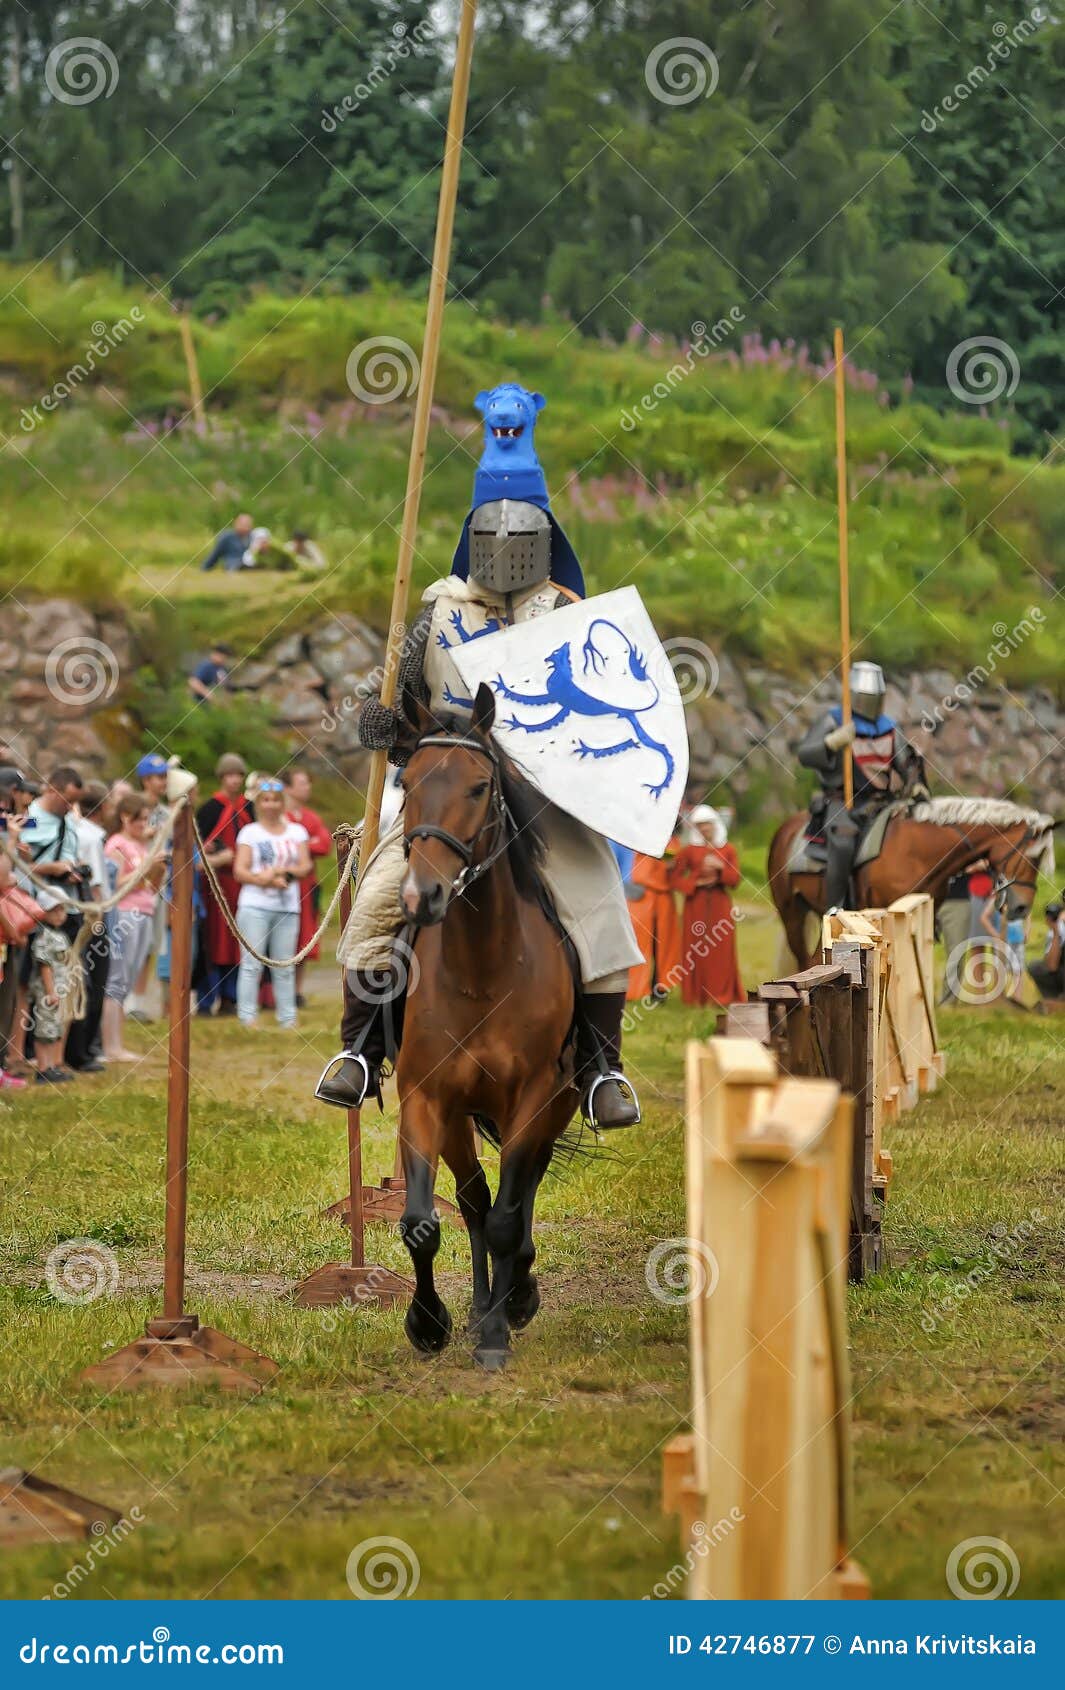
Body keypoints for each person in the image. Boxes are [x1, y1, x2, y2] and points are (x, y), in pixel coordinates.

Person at [320, 381, 643, 1129]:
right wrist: (382, 722)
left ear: (545, 536)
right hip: (444, 794)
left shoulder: (568, 614)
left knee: (599, 908)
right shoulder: (435, 612)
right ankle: (361, 1050)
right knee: (374, 908)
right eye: (491, 536)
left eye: (520, 535)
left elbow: (612, 709)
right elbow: (404, 710)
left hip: (542, 800)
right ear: (471, 536)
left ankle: (600, 1070)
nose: (505, 550)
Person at [797, 661, 924, 909]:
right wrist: (831, 743)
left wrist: (916, 783)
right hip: (842, 801)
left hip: (881, 802)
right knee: (843, 843)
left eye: (876, 697)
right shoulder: (834, 721)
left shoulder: (888, 728)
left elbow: (907, 761)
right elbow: (805, 755)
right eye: (868, 697)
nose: (872, 703)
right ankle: (837, 910)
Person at [233, 779, 311, 1029]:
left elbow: (305, 864)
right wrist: (263, 879)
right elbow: (240, 870)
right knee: (251, 963)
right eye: (265, 800)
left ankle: (287, 1017)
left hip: (287, 905)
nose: (271, 805)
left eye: (276, 800)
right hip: (255, 905)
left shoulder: (296, 831)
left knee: (284, 963)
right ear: (258, 803)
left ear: (282, 802)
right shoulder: (250, 833)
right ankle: (247, 1016)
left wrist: (286, 873)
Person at [103, 792, 164, 1062]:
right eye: (139, 820)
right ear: (125, 818)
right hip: (124, 912)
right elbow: (116, 884)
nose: (144, 825)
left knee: (127, 979)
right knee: (115, 981)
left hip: (144, 910)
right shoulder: (116, 844)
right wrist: (147, 866)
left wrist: (158, 868)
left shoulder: (141, 845)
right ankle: (110, 1046)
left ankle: (117, 1043)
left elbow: (150, 886)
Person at [196, 754, 254, 1016]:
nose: (234, 780)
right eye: (229, 775)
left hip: (242, 884)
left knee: (237, 940)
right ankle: (207, 998)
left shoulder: (250, 808)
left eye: (238, 775)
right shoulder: (209, 809)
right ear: (221, 778)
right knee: (212, 940)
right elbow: (197, 848)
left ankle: (232, 997)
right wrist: (214, 854)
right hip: (214, 886)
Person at [671, 805, 744, 1007]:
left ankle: (721, 995)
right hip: (695, 906)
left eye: (707, 825)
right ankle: (697, 996)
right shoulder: (688, 851)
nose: (704, 829)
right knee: (695, 949)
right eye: (699, 826)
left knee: (721, 949)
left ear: (715, 825)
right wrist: (695, 883)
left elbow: (735, 880)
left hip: (720, 905)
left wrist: (721, 869)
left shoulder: (728, 849)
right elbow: (675, 879)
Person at [64, 780, 110, 1073]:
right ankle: (80, 1051)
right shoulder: (92, 835)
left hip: (74, 912)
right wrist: (99, 921)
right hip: (88, 914)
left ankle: (80, 1048)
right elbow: (95, 884)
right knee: (89, 982)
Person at [284, 767, 332, 1001]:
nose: (307, 787)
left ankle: (296, 991)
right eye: (302, 783)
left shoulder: (311, 817)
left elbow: (324, 844)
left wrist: (301, 845)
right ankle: (275, 992)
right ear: (289, 788)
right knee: (283, 935)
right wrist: (305, 842)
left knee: (305, 936)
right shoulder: (280, 817)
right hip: (285, 885)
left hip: (308, 886)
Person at [626, 843, 682, 1003]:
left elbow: (677, 870)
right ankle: (637, 989)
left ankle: (659, 989)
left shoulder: (673, 841)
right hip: (643, 896)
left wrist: (673, 865)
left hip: (662, 898)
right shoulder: (644, 837)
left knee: (663, 946)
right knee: (641, 946)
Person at [27, 897, 75, 1084]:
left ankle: (53, 1066)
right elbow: (45, 966)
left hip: (61, 990)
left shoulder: (61, 936)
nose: (60, 915)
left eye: (62, 910)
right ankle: (43, 1068)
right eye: (54, 910)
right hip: (48, 994)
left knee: (55, 1030)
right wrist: (50, 991)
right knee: (44, 1031)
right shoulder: (43, 937)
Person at [936, 871, 972, 1006]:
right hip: (926, 896)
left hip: (957, 899)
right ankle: (919, 1000)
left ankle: (947, 1003)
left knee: (956, 954)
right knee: (914, 951)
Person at [1030, 901, 1065, 1003]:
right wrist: (1055, 932)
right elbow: (1051, 965)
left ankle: (1055, 1000)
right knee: (1036, 966)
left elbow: (1052, 966)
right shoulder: (1060, 928)